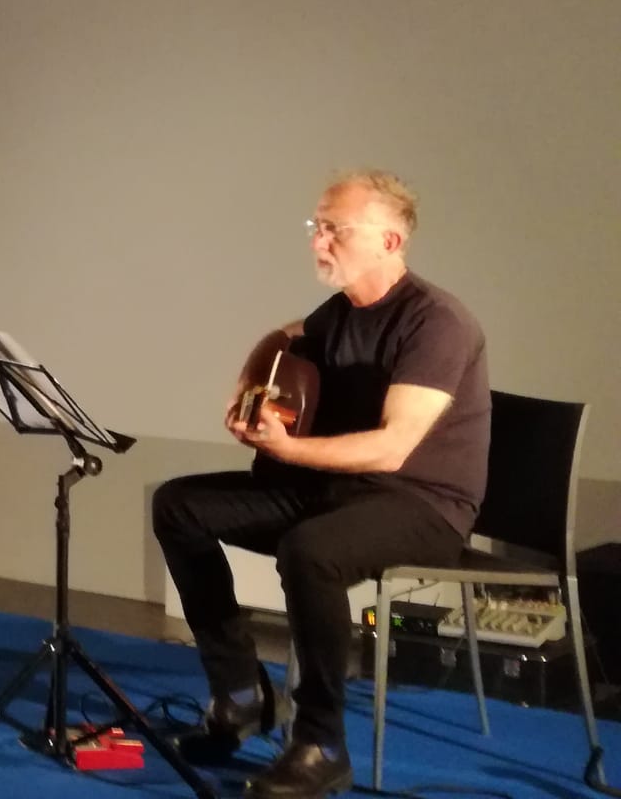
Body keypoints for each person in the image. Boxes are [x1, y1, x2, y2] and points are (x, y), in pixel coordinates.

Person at [153, 170, 489, 799]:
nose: (318, 241)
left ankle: (321, 744)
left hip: (421, 504)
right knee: (179, 505)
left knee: (311, 550)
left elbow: (392, 448)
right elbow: (286, 336)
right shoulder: (337, 314)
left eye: (336, 229)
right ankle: (240, 693)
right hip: (335, 490)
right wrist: (251, 385)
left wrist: (289, 449)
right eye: (317, 226)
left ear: (390, 241)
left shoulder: (436, 322)